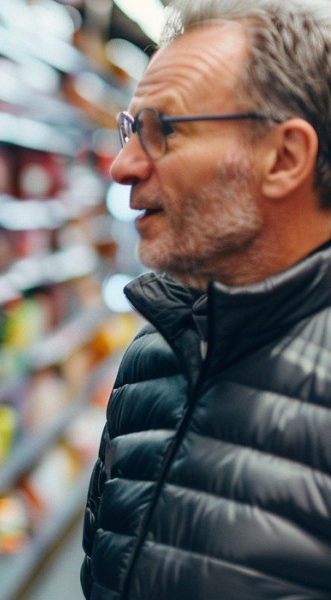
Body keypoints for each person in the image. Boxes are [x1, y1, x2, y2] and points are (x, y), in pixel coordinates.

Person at [80, 0, 331, 598]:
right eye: (128, 129)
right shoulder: (156, 349)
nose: (121, 166)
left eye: (162, 130)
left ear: (286, 157)